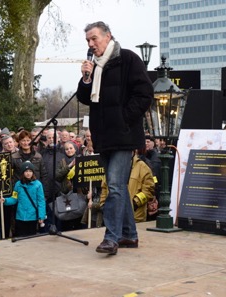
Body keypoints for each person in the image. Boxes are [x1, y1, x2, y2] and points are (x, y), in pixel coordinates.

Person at [77, 21, 153, 255]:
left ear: (108, 36)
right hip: (105, 137)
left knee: (115, 186)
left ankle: (112, 237)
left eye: (94, 38)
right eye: (88, 40)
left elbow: (144, 94)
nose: (91, 44)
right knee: (116, 185)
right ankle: (129, 234)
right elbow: (85, 98)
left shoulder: (128, 59)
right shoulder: (96, 66)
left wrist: (124, 118)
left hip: (124, 135)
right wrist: (86, 78)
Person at [100, 151, 155, 224]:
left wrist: (135, 202)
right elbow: (104, 187)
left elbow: (149, 190)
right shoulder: (112, 166)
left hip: (135, 218)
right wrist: (103, 204)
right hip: (113, 218)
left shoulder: (142, 167)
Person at [2, 161, 46, 237]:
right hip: (20, 217)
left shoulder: (38, 184)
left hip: (32, 217)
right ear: (23, 173)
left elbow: (41, 201)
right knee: (20, 238)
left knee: (31, 238)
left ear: (33, 173)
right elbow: (14, 198)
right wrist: (5, 200)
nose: (28, 173)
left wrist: (41, 216)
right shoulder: (18, 184)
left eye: (30, 171)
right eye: (26, 171)